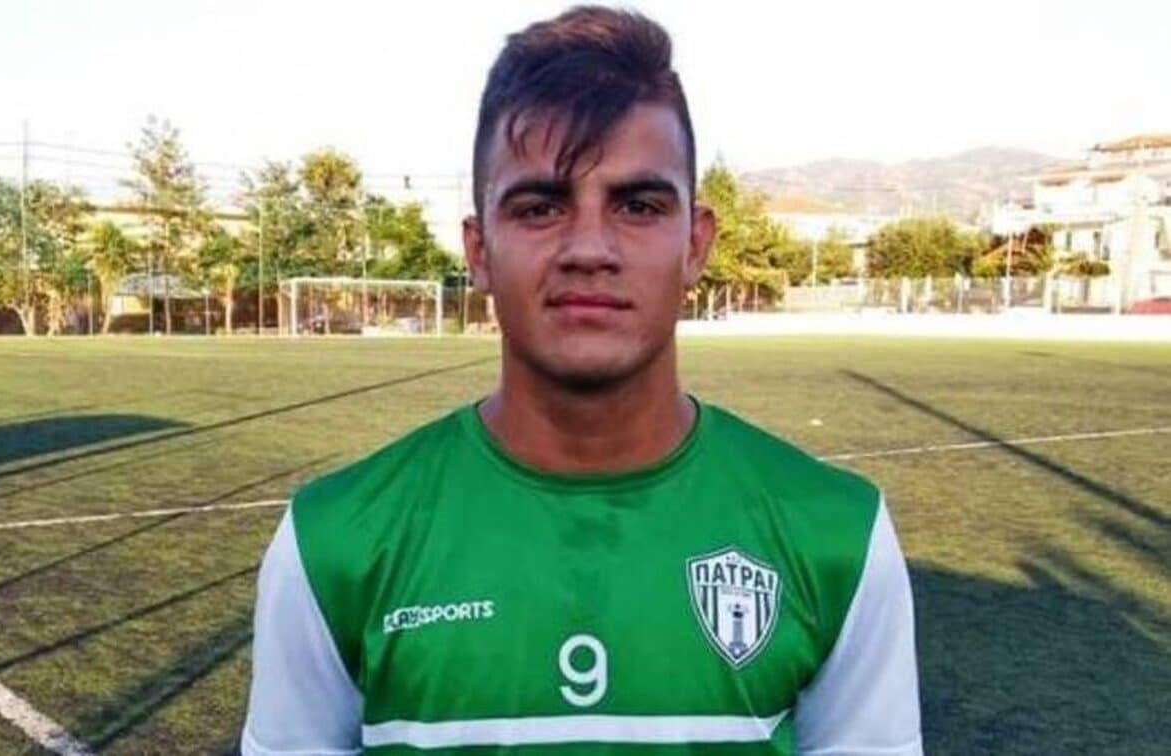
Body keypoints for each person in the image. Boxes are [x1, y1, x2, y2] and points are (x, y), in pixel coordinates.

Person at [242, 6, 921, 754]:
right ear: (479, 249)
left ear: (696, 245)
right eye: (540, 206)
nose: (589, 248)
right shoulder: (334, 541)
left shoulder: (837, 534)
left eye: (638, 205)